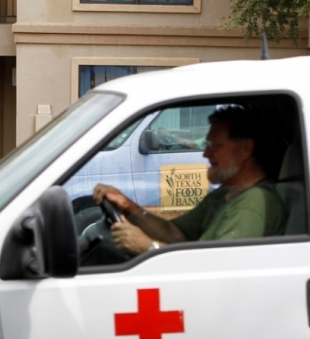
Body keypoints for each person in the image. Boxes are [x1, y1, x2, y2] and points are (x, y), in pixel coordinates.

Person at [92, 105, 287, 256]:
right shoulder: (225, 195)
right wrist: (127, 205)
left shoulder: (254, 203)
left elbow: (220, 271)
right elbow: (174, 232)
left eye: (215, 145)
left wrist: (148, 248)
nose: (206, 153)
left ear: (245, 149)